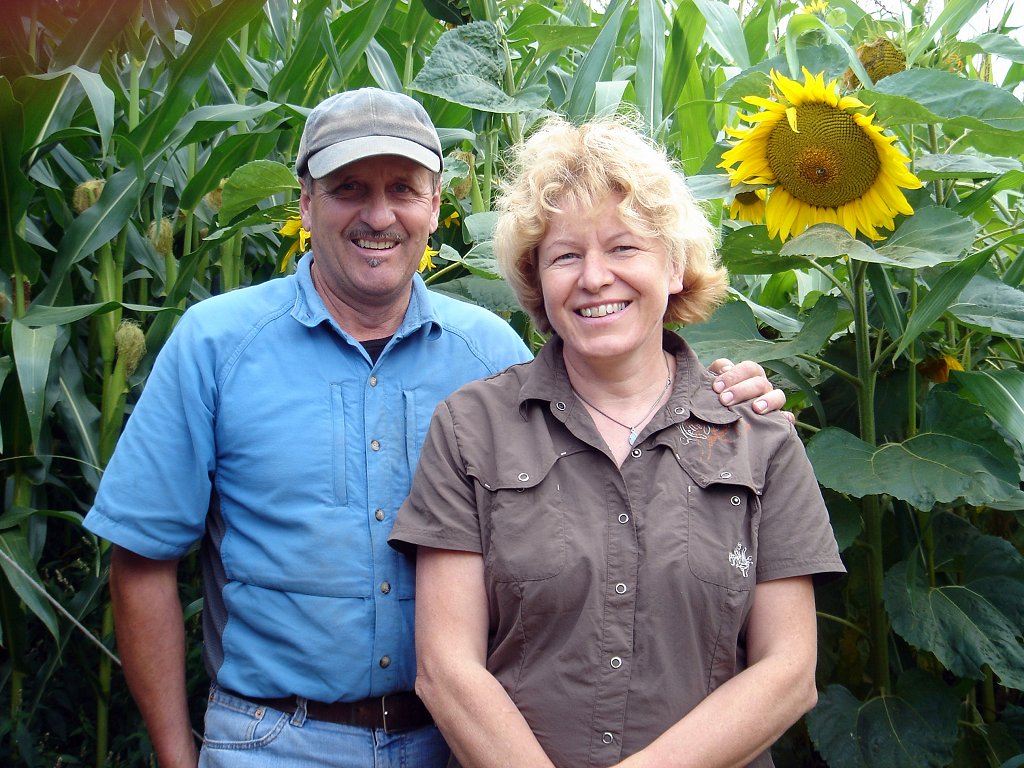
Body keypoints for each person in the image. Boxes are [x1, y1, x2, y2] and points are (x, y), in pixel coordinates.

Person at [83, 89, 788, 767]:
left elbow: (624, 401)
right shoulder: (216, 345)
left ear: (436, 203)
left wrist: (724, 394)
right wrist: (179, 757)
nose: (379, 214)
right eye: (349, 189)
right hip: (277, 737)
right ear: (305, 203)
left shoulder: (493, 355)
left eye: (403, 188)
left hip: (460, 741)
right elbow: (143, 558)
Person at [389, 115, 846, 768]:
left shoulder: (758, 434)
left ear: (675, 264)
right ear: (537, 280)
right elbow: (446, 667)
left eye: (624, 248)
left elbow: (789, 673)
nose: (595, 277)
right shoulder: (473, 428)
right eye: (566, 255)